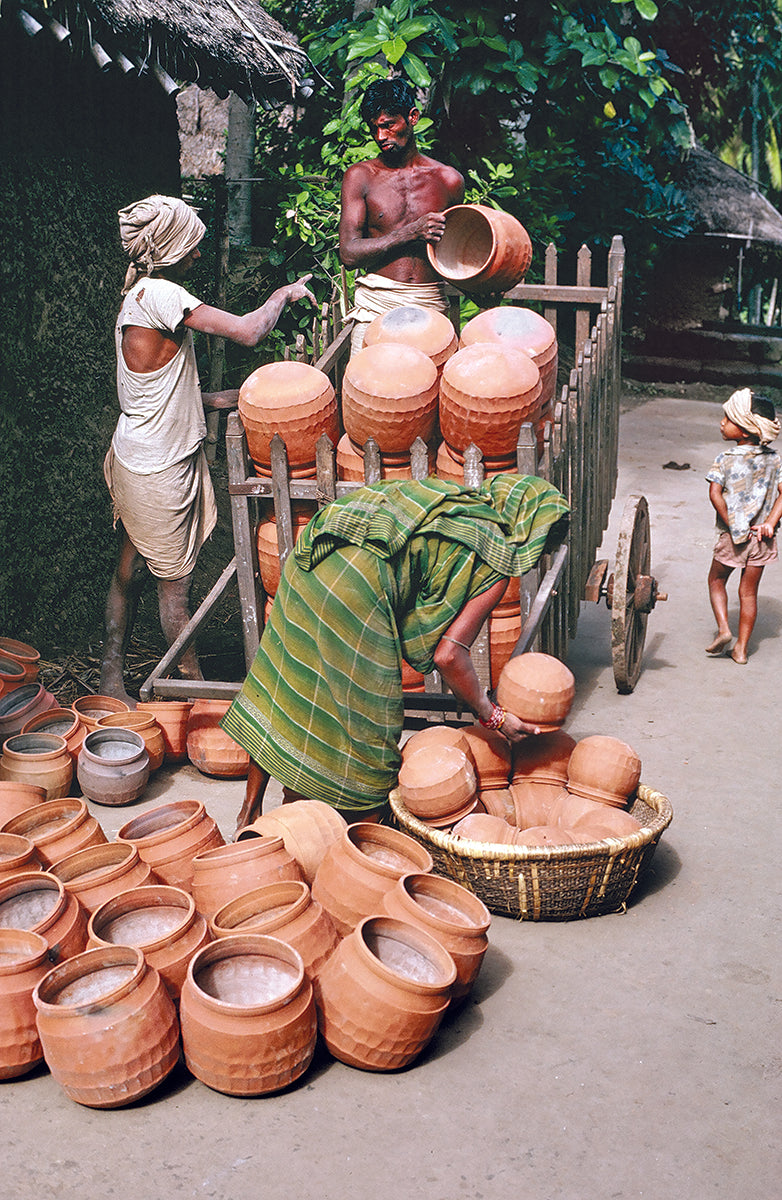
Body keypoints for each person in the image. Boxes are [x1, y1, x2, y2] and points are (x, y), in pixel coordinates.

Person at [222, 474, 570, 834]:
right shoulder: (494, 555)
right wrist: (492, 715)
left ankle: (249, 813)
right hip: (356, 588)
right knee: (370, 722)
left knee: (282, 687)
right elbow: (448, 656)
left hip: (311, 557)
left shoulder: (453, 501)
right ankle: (358, 831)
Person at [100, 194, 316, 705]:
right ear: (172, 246)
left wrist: (241, 397)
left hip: (139, 456)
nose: (198, 255)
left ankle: (113, 677)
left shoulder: (138, 297)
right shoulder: (163, 295)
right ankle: (196, 698)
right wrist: (282, 295)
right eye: (193, 245)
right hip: (159, 469)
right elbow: (248, 330)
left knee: (128, 572)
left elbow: (166, 395)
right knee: (176, 591)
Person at [338, 78, 465, 355]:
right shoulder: (361, 177)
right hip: (376, 306)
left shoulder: (448, 180)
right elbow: (348, 254)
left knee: (429, 396)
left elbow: (454, 255)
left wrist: (481, 286)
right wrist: (410, 232)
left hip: (430, 305)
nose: (380, 136)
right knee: (369, 393)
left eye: (388, 125)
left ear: (413, 118)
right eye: (375, 128)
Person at [705, 388, 782, 664]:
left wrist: (733, 524)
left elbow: (714, 494)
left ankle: (724, 629)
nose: (722, 423)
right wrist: (770, 523)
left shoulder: (725, 459)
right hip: (762, 538)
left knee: (716, 579)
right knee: (748, 593)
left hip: (733, 536)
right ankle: (741, 650)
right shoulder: (774, 460)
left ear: (746, 431)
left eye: (728, 419)